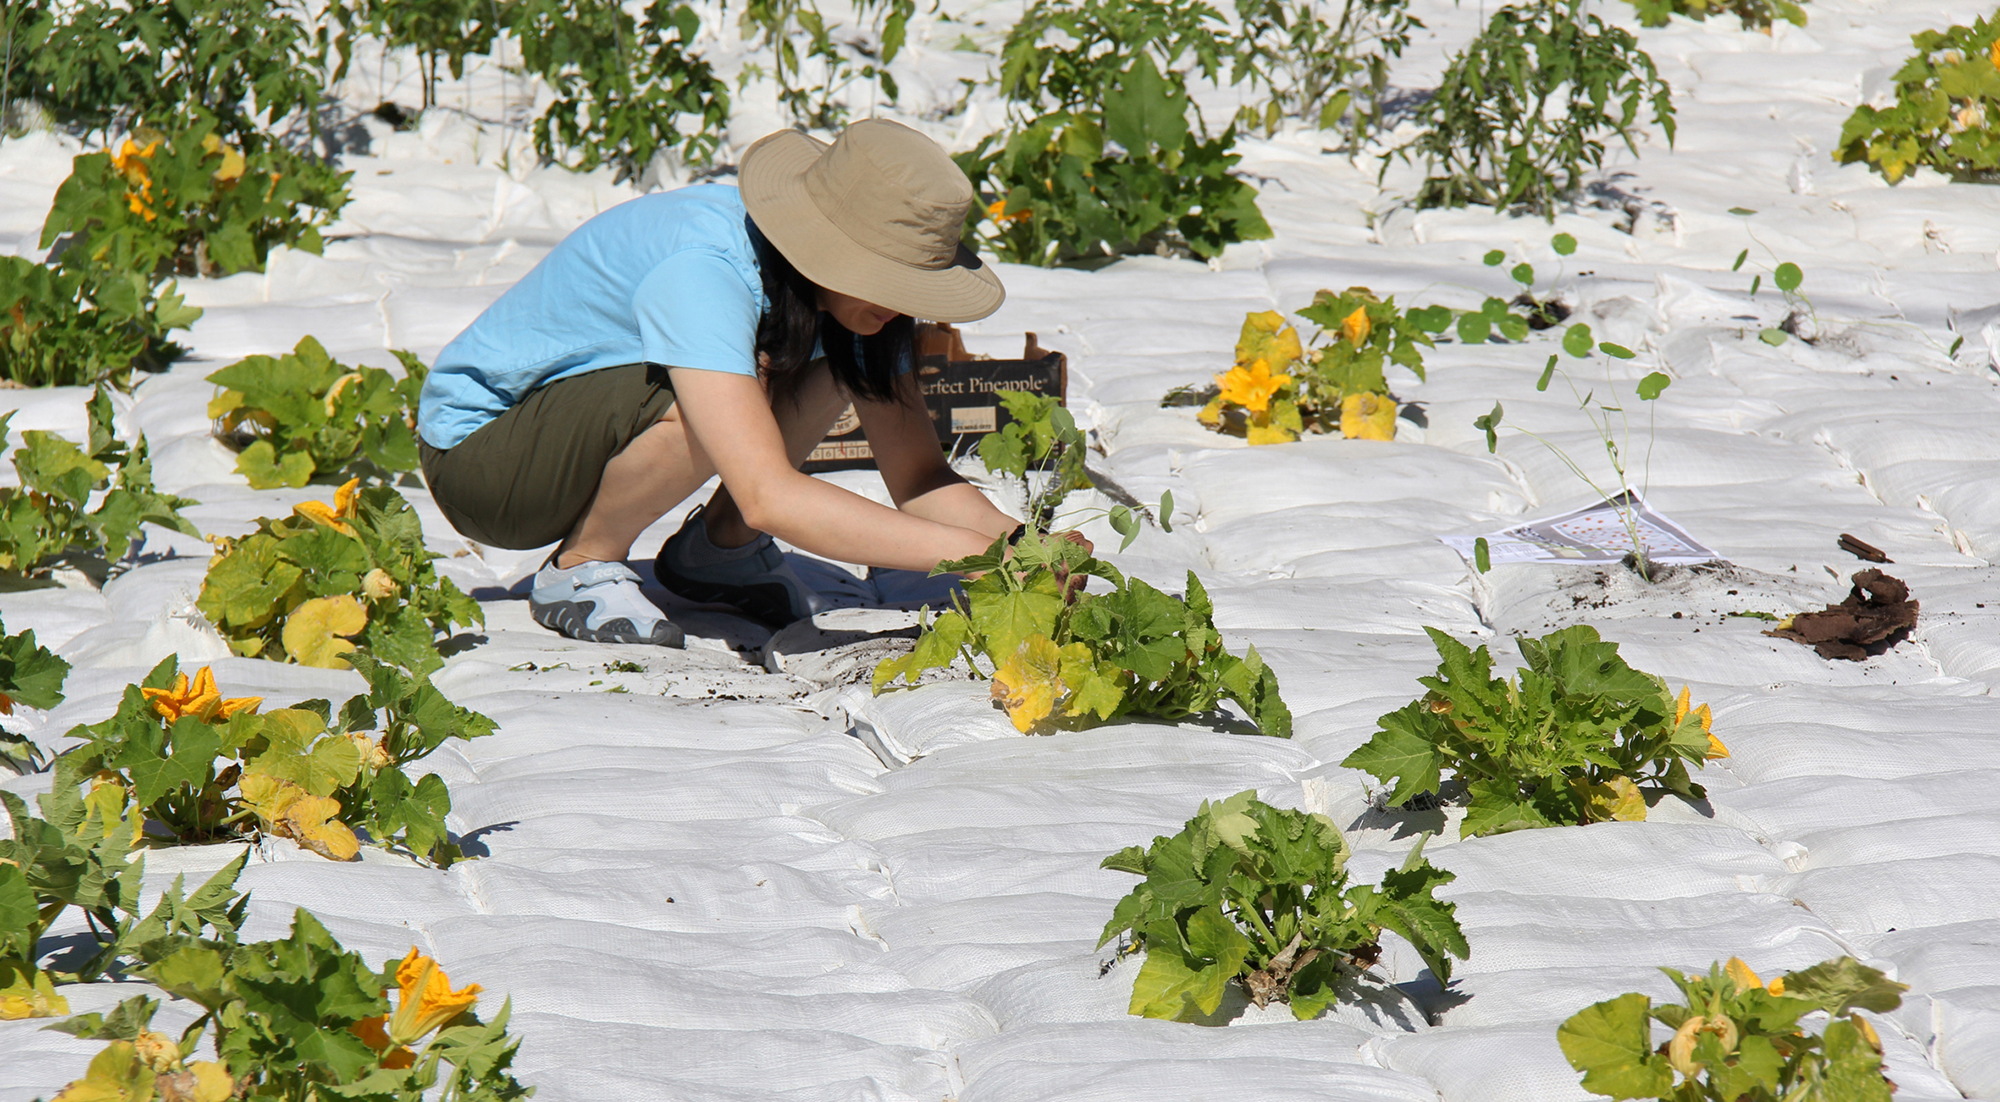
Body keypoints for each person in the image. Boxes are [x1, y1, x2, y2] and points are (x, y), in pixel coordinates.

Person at [416, 120, 1042, 647]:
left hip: (561, 431)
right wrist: (973, 558)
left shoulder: (850, 307)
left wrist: (1025, 547)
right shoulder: (705, 272)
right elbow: (771, 495)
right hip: (484, 460)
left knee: (828, 370)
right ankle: (581, 565)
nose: (905, 305)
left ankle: (720, 550)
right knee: (693, 404)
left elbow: (920, 479)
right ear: (832, 250)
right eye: (893, 280)